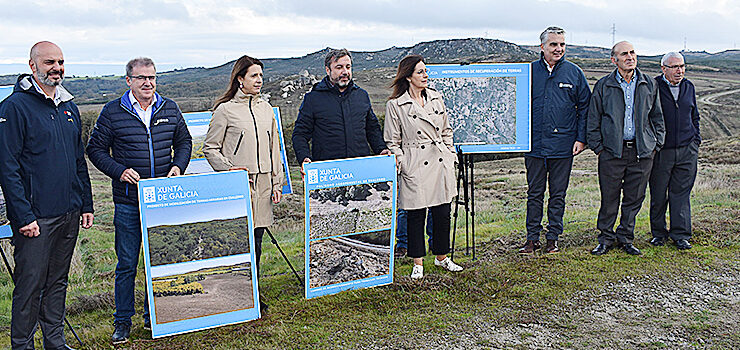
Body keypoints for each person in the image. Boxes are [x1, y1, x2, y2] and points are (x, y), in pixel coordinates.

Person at [86, 57, 192, 344]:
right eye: (142, 78)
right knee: (127, 265)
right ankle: (122, 322)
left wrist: (178, 166)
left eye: (152, 77)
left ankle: (153, 317)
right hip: (129, 202)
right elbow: (95, 149)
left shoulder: (169, 107)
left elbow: (184, 142)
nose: (148, 83)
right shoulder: (113, 111)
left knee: (158, 262)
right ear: (129, 81)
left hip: (162, 200)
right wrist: (119, 171)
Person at [0, 41, 94, 350]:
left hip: (68, 212)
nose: (57, 67)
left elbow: (79, 160)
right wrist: (23, 215)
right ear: (33, 65)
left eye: (61, 62)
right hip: (35, 218)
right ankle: (23, 345)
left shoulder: (69, 107)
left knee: (57, 283)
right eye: (50, 61)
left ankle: (55, 342)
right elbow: (7, 166)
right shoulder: (14, 107)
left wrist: (86, 204)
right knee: (29, 287)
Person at [203, 55, 284, 310]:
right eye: (253, 76)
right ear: (240, 79)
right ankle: (234, 297)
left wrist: (277, 182)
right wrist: (230, 169)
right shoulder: (225, 110)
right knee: (239, 243)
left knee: (257, 241)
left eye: (261, 75)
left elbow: (274, 148)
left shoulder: (266, 109)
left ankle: (253, 295)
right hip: (239, 185)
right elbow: (210, 148)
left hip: (263, 186)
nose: (259, 80)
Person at [384, 55, 462, 279]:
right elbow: (392, 141)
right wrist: (403, 163)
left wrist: (449, 154)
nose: (425, 75)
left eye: (426, 71)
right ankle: (417, 263)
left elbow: (447, 130)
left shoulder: (436, 98)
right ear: (408, 76)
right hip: (414, 162)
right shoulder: (395, 105)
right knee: (416, 214)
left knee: (442, 212)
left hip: (440, 161)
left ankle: (442, 257)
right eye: (420, 72)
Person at [587, 41, 665, 256]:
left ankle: (626, 238)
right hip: (612, 152)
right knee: (609, 197)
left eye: (632, 52)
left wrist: (655, 144)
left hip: (642, 152)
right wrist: (599, 148)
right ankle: (605, 238)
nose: (630, 57)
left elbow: (657, 117)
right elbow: (593, 119)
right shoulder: (604, 85)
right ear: (615, 60)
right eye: (624, 54)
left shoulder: (649, 83)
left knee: (634, 198)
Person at [520, 26, 591, 255]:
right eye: (553, 44)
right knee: (534, 193)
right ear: (542, 47)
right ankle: (532, 239)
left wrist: (581, 139)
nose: (558, 48)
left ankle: (553, 238)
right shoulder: (528, 72)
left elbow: (585, 108)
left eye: (562, 44)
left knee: (558, 194)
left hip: (563, 146)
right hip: (534, 146)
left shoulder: (574, 73)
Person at [292, 48, 390, 166]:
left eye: (348, 67)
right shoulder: (313, 99)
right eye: (339, 67)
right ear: (328, 70)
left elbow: (372, 129)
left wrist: (381, 149)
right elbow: (300, 134)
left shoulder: (361, 96)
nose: (345, 72)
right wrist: (304, 158)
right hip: (329, 172)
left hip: (361, 169)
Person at [649, 52, 700, 250]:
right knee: (659, 194)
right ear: (663, 69)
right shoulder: (653, 87)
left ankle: (681, 235)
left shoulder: (689, 86)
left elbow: (694, 115)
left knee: (681, 193)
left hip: (687, 150)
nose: (679, 71)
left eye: (682, 66)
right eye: (674, 67)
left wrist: (696, 140)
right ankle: (658, 234)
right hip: (662, 151)